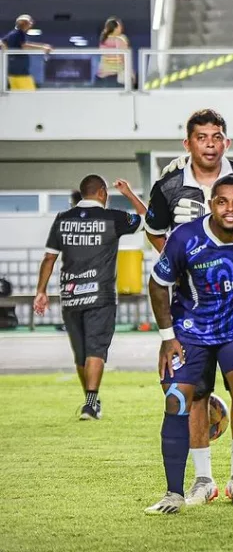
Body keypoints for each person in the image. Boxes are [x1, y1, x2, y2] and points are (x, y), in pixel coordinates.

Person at [144, 109, 233, 507]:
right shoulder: (169, 191)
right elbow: (155, 242)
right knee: (183, 397)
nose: (210, 143)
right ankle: (192, 484)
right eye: (202, 137)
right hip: (190, 316)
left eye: (217, 136)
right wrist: (188, 261)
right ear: (189, 143)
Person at [33, 176, 144, 420]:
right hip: (99, 296)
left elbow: (49, 258)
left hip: (70, 296)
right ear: (102, 193)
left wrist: (40, 291)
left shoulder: (62, 219)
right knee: (96, 350)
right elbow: (148, 220)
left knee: (81, 354)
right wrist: (128, 193)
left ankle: (91, 402)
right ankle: (91, 403)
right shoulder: (113, 218)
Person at [96, 17, 130, 88]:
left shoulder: (103, 40)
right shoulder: (121, 39)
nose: (121, 28)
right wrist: (130, 73)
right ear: (115, 28)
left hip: (102, 75)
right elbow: (125, 58)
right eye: (119, 26)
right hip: (115, 75)